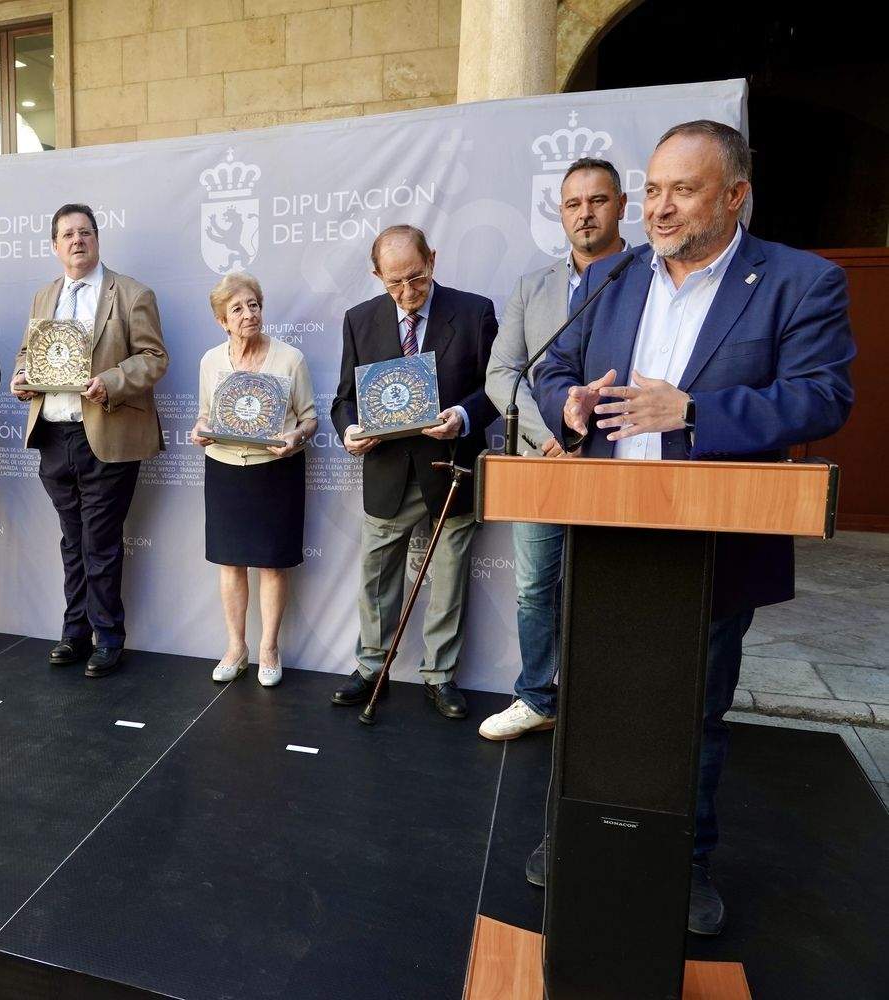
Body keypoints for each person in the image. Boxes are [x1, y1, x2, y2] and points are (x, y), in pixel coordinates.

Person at [534, 120, 854, 934]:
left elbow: (822, 397)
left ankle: (688, 864)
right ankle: (572, 835)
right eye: (652, 190)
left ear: (735, 195)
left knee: (691, 709)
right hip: (606, 529)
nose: (659, 208)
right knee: (595, 698)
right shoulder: (615, 276)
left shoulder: (798, 280)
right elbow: (557, 368)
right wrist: (567, 409)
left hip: (712, 540)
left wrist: (695, 410)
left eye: (683, 190)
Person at [479, 157, 629, 740]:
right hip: (542, 459)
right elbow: (502, 373)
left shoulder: (649, 278)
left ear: (621, 205)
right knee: (536, 584)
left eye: (597, 201)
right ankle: (537, 696)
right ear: (560, 213)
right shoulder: (531, 286)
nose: (585, 213)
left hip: (621, 459)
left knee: (612, 582)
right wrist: (548, 438)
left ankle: (606, 700)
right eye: (573, 204)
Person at [329, 224, 498, 720]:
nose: (407, 294)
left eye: (417, 279)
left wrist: (463, 418)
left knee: (447, 577)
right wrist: (349, 431)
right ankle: (370, 666)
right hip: (386, 472)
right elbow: (344, 398)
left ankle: (440, 676)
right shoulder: (359, 320)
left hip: (450, 470)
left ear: (434, 260)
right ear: (376, 275)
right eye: (394, 283)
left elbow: (495, 389)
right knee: (377, 576)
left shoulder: (474, 312)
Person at [11, 203, 168, 678]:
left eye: (85, 232)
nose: (77, 240)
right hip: (53, 436)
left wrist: (111, 382)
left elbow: (154, 358)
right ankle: (75, 632)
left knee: (99, 541)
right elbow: (26, 352)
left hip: (107, 433)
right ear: (55, 246)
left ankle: (108, 637)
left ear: (97, 239)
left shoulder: (132, 293)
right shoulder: (44, 297)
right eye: (67, 235)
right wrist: (22, 376)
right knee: (72, 540)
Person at [189, 273, 316, 687]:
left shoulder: (290, 359)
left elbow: (310, 418)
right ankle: (236, 648)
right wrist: (200, 428)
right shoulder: (210, 361)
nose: (249, 314)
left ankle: (269, 649)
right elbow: (206, 413)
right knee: (229, 562)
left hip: (276, 471)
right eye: (238, 309)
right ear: (222, 320)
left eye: (254, 305)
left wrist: (294, 436)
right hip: (224, 468)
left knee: (272, 564)